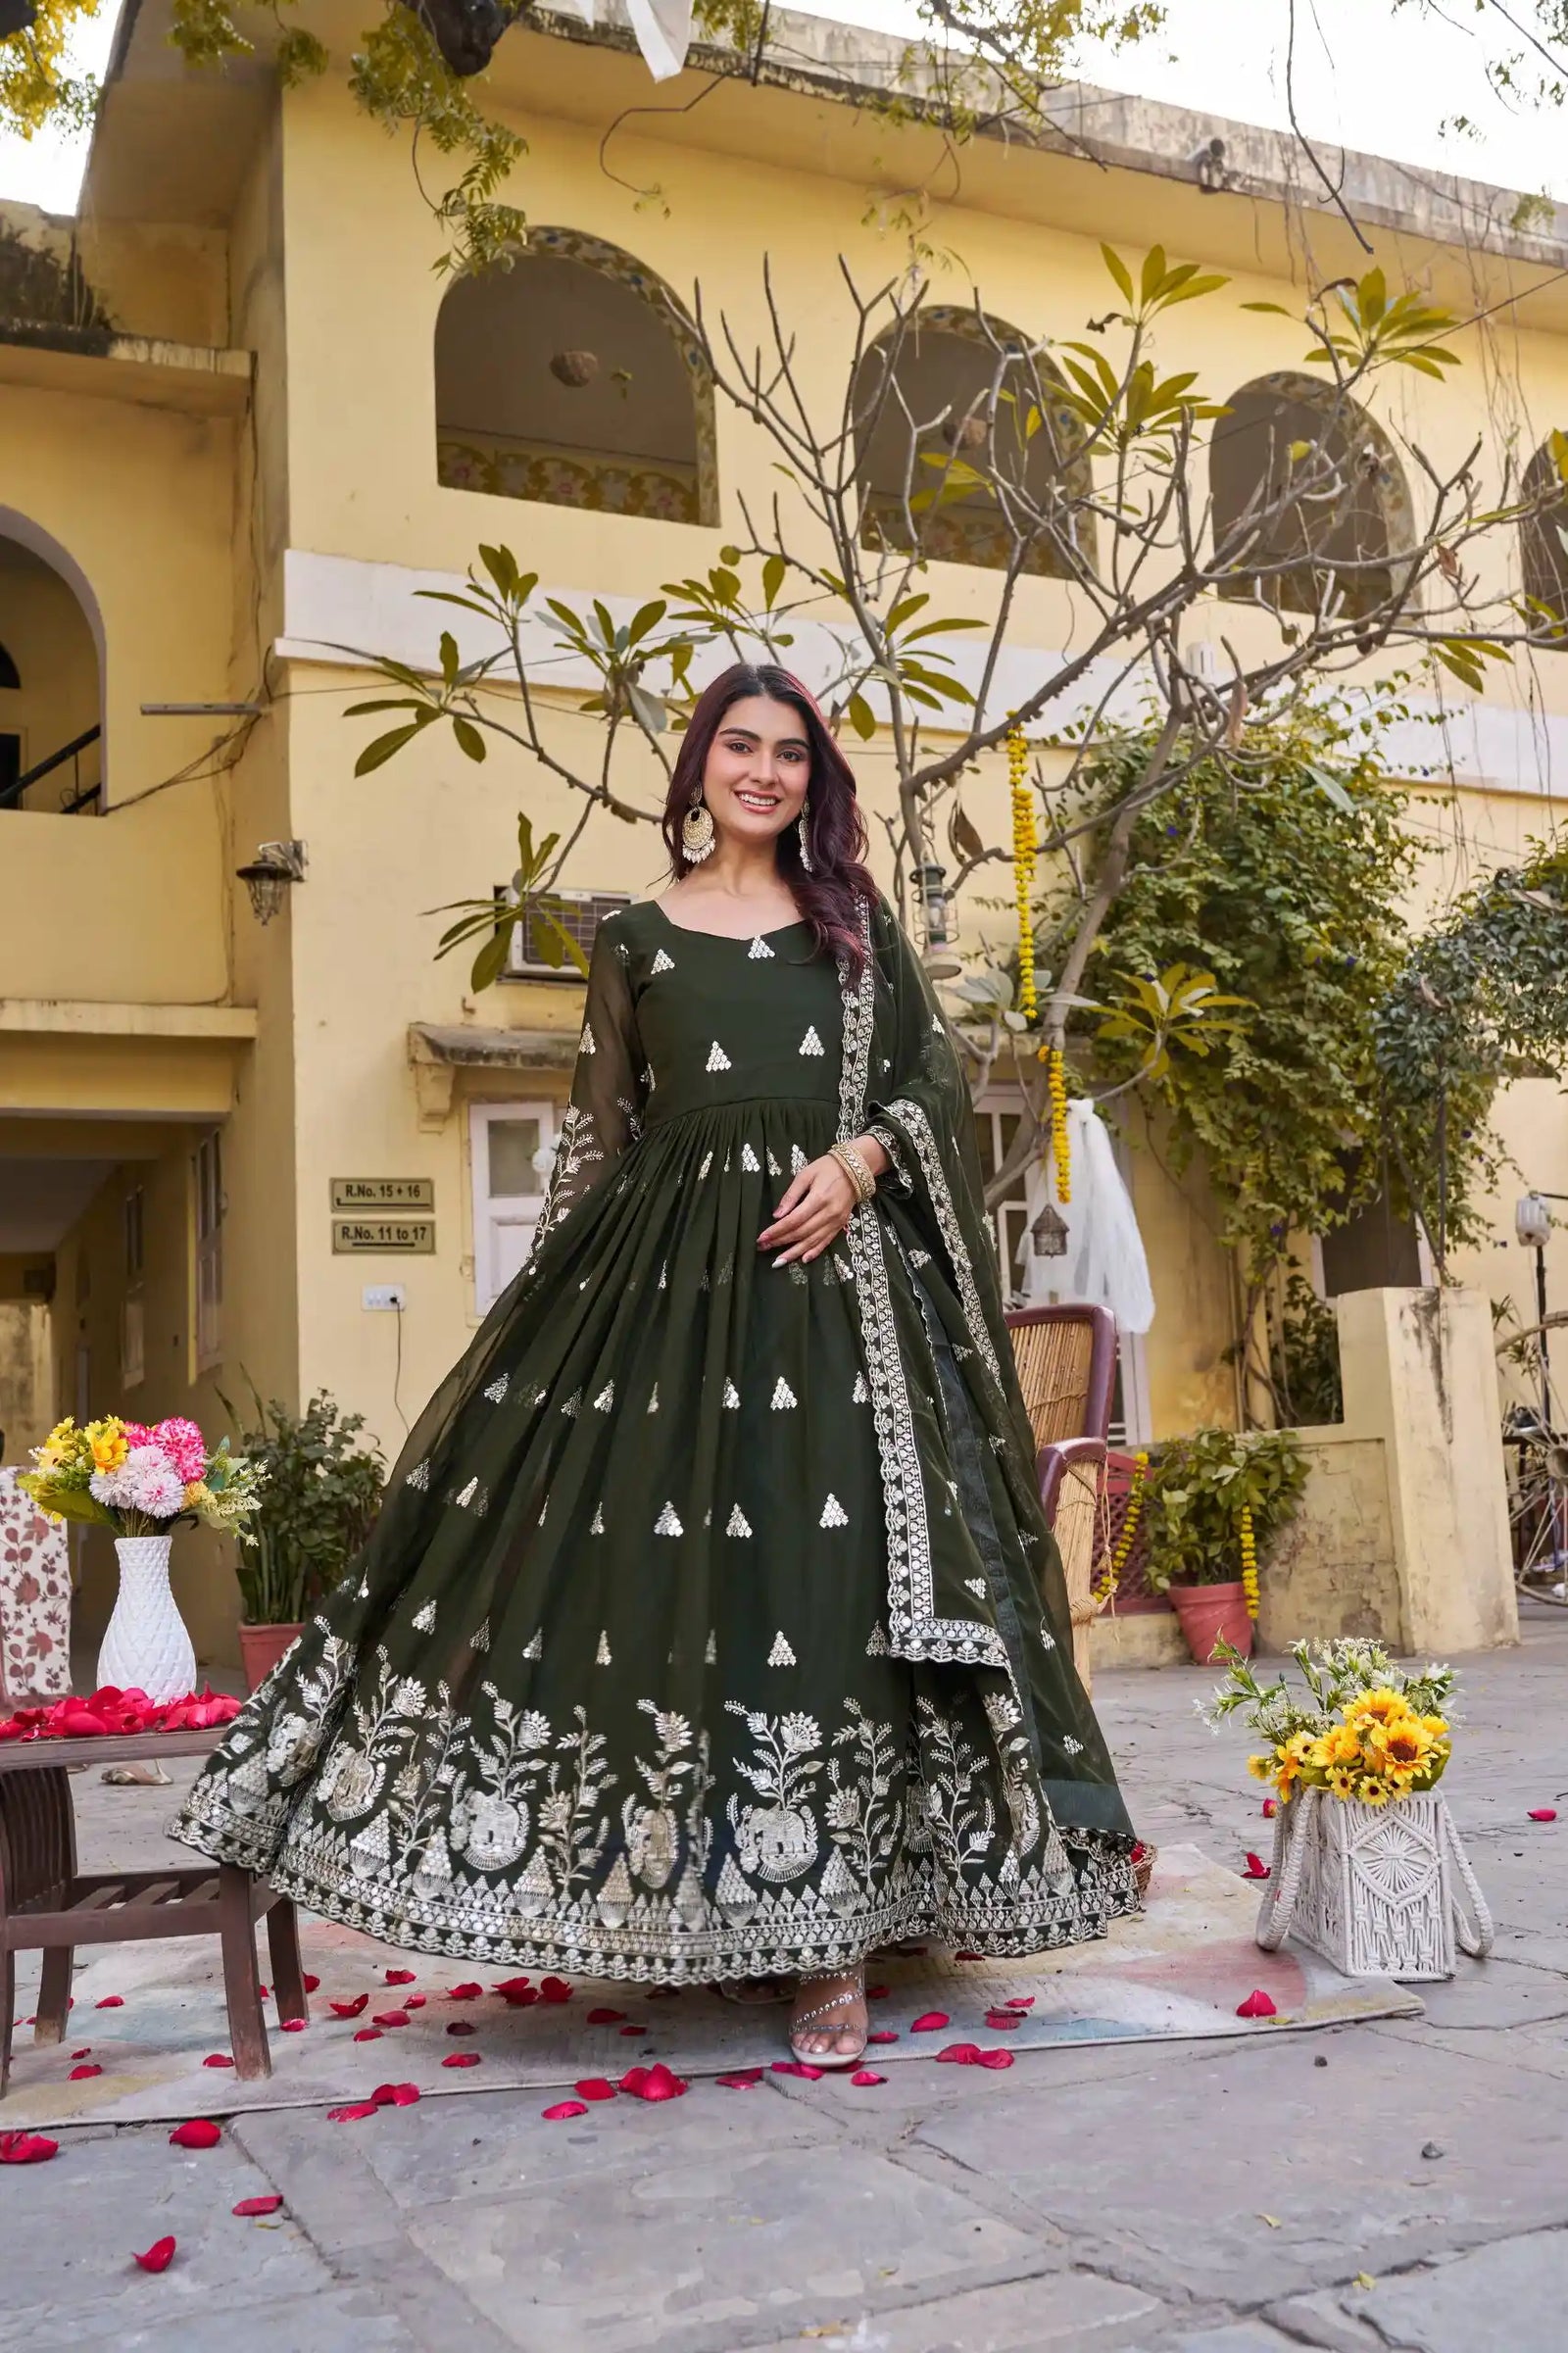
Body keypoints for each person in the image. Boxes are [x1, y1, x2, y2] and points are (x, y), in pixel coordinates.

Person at [173, 662, 1139, 2067]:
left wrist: (863, 1161)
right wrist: (557, 1340)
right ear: (697, 769)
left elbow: (930, 1081)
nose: (764, 770)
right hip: (672, 1303)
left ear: (817, 779)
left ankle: (832, 1941)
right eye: (739, 746)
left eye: (791, 753)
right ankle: (695, 1895)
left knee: (830, 1584)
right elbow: (599, 1140)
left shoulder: (855, 927)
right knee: (690, 1596)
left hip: (836, 1299)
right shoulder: (631, 939)